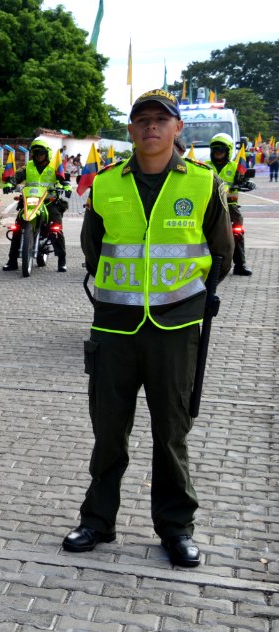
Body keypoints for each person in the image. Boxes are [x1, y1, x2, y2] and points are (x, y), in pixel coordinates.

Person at [65, 89, 233, 568]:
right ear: (131, 129)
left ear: (178, 129)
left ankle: (176, 528)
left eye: (162, 119)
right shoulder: (106, 184)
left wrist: (182, 298)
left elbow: (219, 254)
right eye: (142, 120)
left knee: (171, 433)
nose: (151, 127)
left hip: (176, 329)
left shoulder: (204, 184)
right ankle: (97, 521)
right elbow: (93, 250)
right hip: (115, 327)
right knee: (108, 432)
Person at [2, 139, 71, 272]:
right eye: (36, 153)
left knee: (57, 228)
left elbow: (64, 179)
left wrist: (66, 187)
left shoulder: (55, 166)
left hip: (49, 201)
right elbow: (16, 177)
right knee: (17, 227)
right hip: (30, 201)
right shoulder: (28, 166)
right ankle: (12, 261)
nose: (39, 155)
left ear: (47, 153)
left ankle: (62, 260)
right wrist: (10, 184)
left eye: (41, 153)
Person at [208, 133, 253, 276]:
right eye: (215, 149)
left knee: (237, 233)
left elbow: (244, 179)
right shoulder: (204, 166)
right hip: (209, 206)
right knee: (205, 234)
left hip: (230, 206)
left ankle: (240, 265)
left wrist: (247, 182)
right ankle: (205, 264)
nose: (218, 153)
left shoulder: (236, 167)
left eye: (221, 149)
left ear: (228, 150)